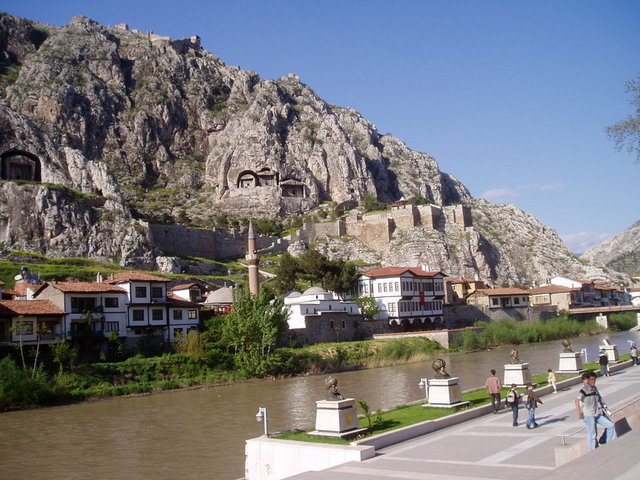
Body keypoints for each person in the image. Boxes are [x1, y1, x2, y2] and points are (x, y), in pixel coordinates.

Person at [575, 370, 616, 451]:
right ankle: (592, 452)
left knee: (610, 425)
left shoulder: (594, 388)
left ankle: (609, 443)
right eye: (591, 379)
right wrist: (579, 412)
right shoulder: (584, 389)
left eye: (594, 379)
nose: (593, 381)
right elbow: (577, 400)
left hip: (597, 413)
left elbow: (599, 398)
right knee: (592, 434)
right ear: (587, 380)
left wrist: (605, 407)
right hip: (588, 414)